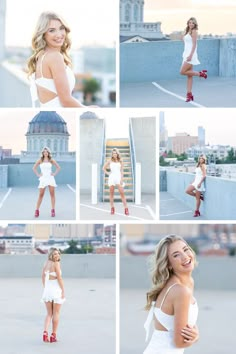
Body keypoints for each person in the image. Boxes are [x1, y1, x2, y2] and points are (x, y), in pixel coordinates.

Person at [27, 11, 98, 108]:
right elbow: (65, 100)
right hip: (59, 115)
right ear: (43, 34)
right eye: (52, 30)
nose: (59, 34)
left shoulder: (42, 56)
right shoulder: (55, 57)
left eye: (61, 28)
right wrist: (87, 109)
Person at [143, 235, 199, 354]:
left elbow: (186, 323)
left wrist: (194, 331)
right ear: (168, 264)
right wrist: (196, 338)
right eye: (176, 255)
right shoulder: (180, 291)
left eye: (185, 249)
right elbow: (179, 342)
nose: (185, 257)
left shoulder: (187, 283)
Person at [180, 17, 207, 102]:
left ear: (195, 24)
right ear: (188, 23)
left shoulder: (194, 31)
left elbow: (194, 45)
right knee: (189, 76)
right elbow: (186, 42)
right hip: (186, 54)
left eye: (192, 23)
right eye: (189, 23)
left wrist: (191, 55)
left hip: (190, 55)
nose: (191, 24)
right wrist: (183, 37)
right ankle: (189, 95)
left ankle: (200, 73)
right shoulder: (187, 31)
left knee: (182, 72)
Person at [41, 248, 65, 343]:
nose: (57, 255)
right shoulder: (56, 264)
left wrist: (45, 287)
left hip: (48, 289)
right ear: (51, 254)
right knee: (56, 313)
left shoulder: (46, 263)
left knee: (49, 314)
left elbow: (43, 276)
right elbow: (59, 278)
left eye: (58, 253)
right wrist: (63, 290)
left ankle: (45, 333)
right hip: (55, 289)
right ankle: (53, 335)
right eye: (55, 254)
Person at [33, 147, 60, 218]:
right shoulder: (40, 160)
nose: (45, 153)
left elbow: (58, 168)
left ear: (48, 153)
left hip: (50, 178)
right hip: (43, 179)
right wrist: (38, 175)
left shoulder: (51, 160)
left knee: (52, 194)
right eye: (44, 152)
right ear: (42, 153)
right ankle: (37, 210)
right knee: (41, 195)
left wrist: (54, 174)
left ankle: (53, 210)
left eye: (47, 152)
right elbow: (34, 168)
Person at [103, 148, 129, 216]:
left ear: (117, 153)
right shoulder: (110, 160)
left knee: (122, 193)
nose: (114, 154)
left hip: (118, 177)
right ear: (112, 154)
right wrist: (108, 173)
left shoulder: (120, 161)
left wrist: (122, 179)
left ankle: (126, 209)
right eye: (113, 153)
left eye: (115, 153)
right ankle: (112, 208)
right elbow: (103, 168)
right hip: (112, 178)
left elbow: (122, 171)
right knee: (111, 194)